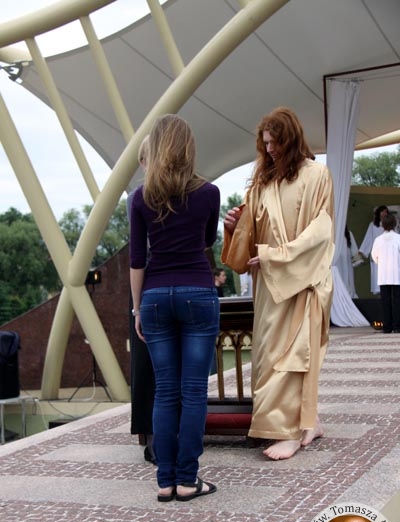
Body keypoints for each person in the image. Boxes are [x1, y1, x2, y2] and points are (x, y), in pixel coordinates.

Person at [222, 107, 334, 460]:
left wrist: (277, 256)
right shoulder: (262, 183)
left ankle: (289, 432)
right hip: (269, 287)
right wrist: (233, 227)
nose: (270, 149)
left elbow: (321, 231)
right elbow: (250, 235)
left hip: (303, 282)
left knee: (295, 357)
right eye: (265, 143)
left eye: (275, 142)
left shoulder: (317, 175)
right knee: (269, 357)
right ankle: (309, 422)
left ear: (291, 139)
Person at [129, 114, 220, 502]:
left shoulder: (140, 197)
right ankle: (188, 480)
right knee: (194, 391)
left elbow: (137, 260)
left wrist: (137, 310)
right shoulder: (209, 193)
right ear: (188, 148)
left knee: (165, 391)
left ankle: (165, 481)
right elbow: (207, 240)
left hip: (154, 295)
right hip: (197, 291)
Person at [127, 136, 156, 464]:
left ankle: (152, 437)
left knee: (149, 367)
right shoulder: (139, 197)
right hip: (153, 284)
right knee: (151, 368)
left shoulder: (139, 197)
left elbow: (138, 254)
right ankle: (153, 436)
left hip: (146, 288)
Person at [371, 212, 400, 333]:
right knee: (397, 300)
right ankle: (397, 326)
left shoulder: (378, 240)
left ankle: (387, 327)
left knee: (385, 301)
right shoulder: (398, 238)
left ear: (382, 225)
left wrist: (381, 263)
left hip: (383, 275)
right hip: (397, 274)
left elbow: (374, 256)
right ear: (395, 224)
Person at [359, 205, 388, 294]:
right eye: (382, 211)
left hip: (387, 253)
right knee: (377, 273)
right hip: (377, 253)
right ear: (379, 213)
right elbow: (369, 238)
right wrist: (363, 251)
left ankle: (387, 291)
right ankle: (379, 292)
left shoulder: (389, 225)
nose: (384, 213)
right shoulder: (373, 225)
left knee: (387, 273)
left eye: (386, 211)